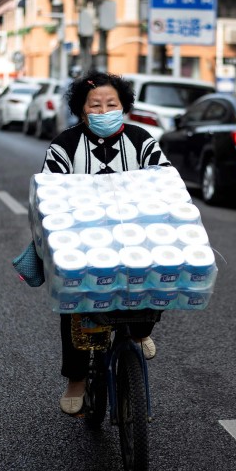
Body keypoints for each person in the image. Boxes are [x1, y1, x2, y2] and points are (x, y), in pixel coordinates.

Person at [40, 70, 171, 415]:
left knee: (154, 274)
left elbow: (165, 180)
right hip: (83, 242)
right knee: (77, 305)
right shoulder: (64, 145)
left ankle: (141, 331)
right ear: (81, 110)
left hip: (135, 238)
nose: (103, 110)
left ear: (124, 106)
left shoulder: (142, 140)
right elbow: (50, 192)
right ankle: (77, 381)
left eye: (111, 103)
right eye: (94, 105)